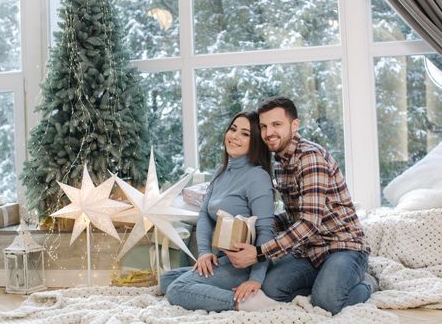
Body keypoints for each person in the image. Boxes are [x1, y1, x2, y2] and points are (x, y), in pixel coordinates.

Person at [224, 96, 376, 315]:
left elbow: (308, 223)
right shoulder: (279, 162)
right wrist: (256, 223)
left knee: (328, 303)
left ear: (294, 125)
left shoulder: (310, 157)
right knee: (272, 289)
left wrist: (259, 253)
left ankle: (367, 283)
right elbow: (293, 214)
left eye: (277, 124)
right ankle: (327, 281)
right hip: (310, 251)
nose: (269, 133)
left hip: (343, 247)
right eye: (264, 126)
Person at [160, 111, 278, 312]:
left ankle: (245, 302)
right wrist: (204, 253)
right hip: (223, 259)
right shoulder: (221, 171)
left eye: (245, 134)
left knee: (177, 289)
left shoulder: (257, 177)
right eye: (233, 129)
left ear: (256, 142)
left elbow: (266, 231)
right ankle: (222, 291)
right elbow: (204, 213)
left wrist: (255, 279)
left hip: (244, 265)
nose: (234, 136)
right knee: (166, 279)